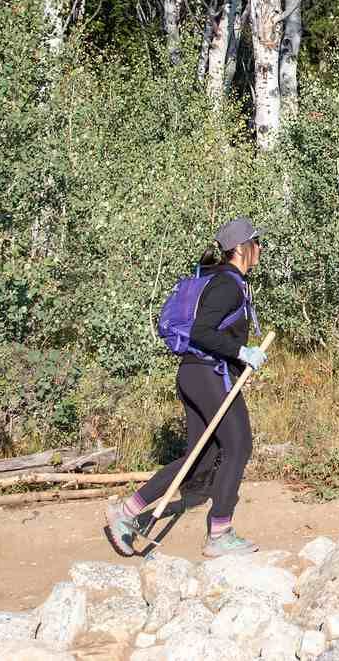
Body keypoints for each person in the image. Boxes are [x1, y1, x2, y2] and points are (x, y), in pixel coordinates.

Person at [109, 219, 268, 559]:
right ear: (240, 248)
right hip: (210, 376)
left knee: (200, 460)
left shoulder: (219, 280)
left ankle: (125, 514)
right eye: (257, 242)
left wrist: (240, 356)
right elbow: (201, 332)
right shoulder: (227, 285)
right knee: (239, 447)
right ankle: (220, 532)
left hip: (195, 375)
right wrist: (241, 352)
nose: (260, 249)